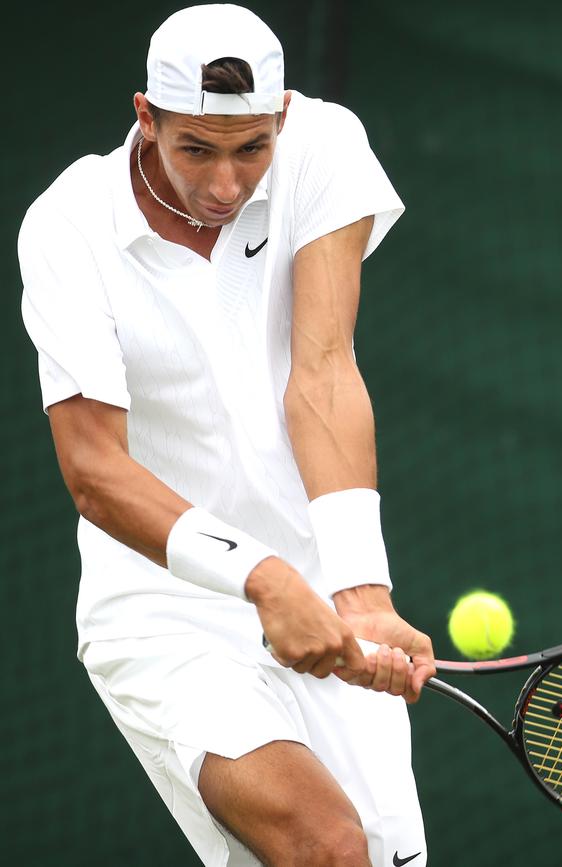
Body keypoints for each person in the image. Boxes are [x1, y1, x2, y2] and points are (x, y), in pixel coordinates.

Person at [18, 4, 435, 865]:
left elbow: (321, 369)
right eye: (195, 149)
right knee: (325, 843)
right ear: (147, 116)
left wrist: (358, 587)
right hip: (164, 611)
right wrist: (259, 575)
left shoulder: (324, 146)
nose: (224, 184)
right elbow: (94, 469)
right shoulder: (66, 226)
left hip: (322, 602)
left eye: (252, 148)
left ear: (281, 117)